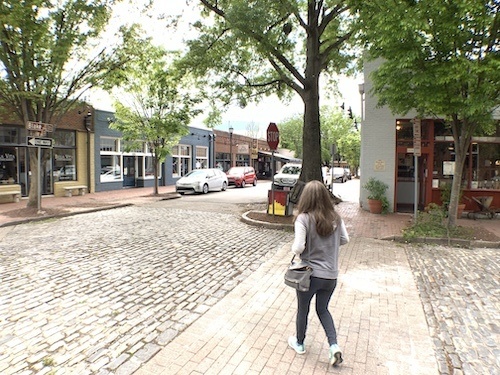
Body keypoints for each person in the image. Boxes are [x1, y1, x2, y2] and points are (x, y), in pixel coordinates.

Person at [287, 180, 350, 367]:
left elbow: (298, 247)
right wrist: (328, 248)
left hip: (309, 275)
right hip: (330, 276)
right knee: (323, 309)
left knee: (303, 309)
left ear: (306, 197)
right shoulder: (336, 218)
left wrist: (298, 250)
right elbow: (345, 239)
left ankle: (299, 343)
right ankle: (334, 346)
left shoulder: (303, 218)